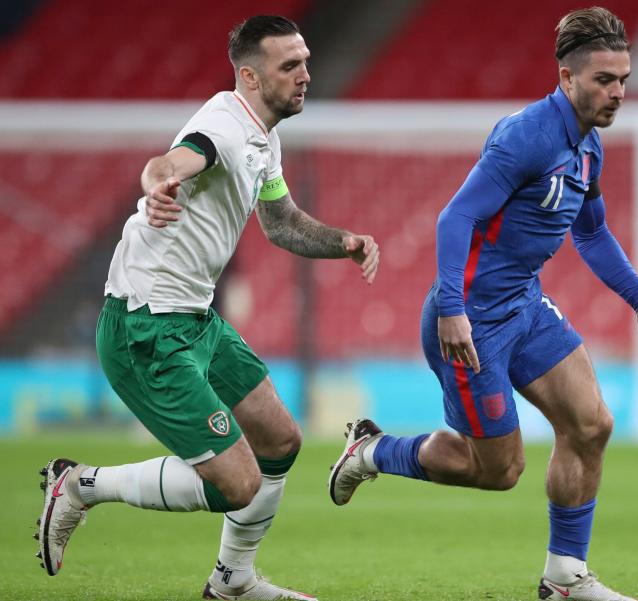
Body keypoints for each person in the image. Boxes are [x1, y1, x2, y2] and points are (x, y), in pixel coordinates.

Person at [328, 7, 638, 601]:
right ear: (567, 79)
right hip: (470, 322)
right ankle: (375, 450)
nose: (617, 93)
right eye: (604, 81)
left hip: (524, 306)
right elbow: (455, 215)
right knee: (499, 470)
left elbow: (590, 232)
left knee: (591, 425)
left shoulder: (589, 147)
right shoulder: (528, 136)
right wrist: (455, 308)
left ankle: (565, 578)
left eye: (624, 80)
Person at [35, 15, 380, 600]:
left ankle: (234, 582)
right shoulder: (222, 127)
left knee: (280, 442)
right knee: (237, 482)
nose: (305, 75)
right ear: (249, 76)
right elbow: (172, 161)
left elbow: (280, 222)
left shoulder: (264, 135)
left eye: (305, 61)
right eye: (289, 66)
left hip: (195, 319)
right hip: (146, 327)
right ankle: (79, 485)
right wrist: (157, 183)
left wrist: (342, 241)